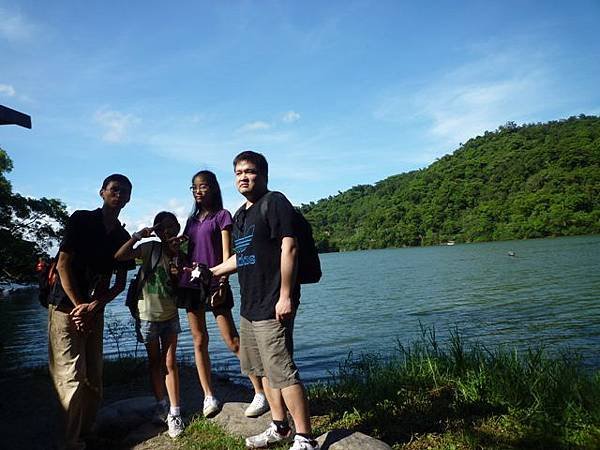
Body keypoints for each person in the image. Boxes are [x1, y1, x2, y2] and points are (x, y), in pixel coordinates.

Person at [211, 152, 320, 450]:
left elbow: (290, 247)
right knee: (261, 370)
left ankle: (305, 437)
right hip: (249, 306)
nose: (243, 177)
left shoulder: (275, 202)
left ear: (264, 174)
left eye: (250, 171)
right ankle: (280, 426)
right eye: (238, 173)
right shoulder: (241, 215)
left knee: (282, 371)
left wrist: (285, 296)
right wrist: (214, 272)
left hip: (273, 303)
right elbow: (243, 256)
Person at [47, 174, 135, 450]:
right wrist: (79, 307)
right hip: (65, 307)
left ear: (130, 198)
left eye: (124, 192)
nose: (119, 195)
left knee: (94, 377)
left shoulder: (122, 237)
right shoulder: (81, 219)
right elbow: (62, 265)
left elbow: (120, 283)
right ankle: (71, 442)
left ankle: (85, 432)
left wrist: (96, 306)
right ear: (102, 192)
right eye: (114, 189)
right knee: (71, 376)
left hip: (93, 310)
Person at [177, 170, 268, 418]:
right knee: (199, 341)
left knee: (232, 340)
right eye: (194, 187)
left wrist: (223, 281)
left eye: (203, 186)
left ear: (213, 188)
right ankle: (209, 396)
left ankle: (260, 392)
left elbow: (228, 253)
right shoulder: (192, 221)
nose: (198, 191)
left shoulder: (222, 216)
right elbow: (189, 252)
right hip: (191, 284)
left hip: (215, 282)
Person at [114, 211, 185, 438]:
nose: (169, 231)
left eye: (173, 226)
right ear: (157, 229)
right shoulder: (150, 248)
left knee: (170, 363)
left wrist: (177, 266)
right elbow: (120, 256)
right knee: (155, 363)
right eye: (163, 227)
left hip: (170, 314)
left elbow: (183, 282)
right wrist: (138, 236)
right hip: (147, 315)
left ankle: (175, 412)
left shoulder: (179, 250)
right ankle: (161, 404)